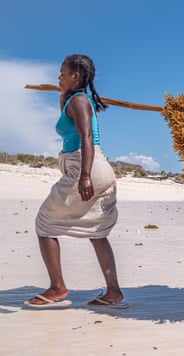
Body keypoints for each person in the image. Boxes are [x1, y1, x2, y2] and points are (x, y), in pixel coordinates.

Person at [25, 54, 127, 309]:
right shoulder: (74, 100)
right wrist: (63, 96)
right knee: (98, 232)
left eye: (62, 72)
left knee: (44, 224)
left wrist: (84, 176)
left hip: (84, 166)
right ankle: (113, 292)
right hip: (98, 167)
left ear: (76, 76)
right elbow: (68, 125)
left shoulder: (80, 100)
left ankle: (57, 288)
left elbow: (87, 137)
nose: (58, 77)